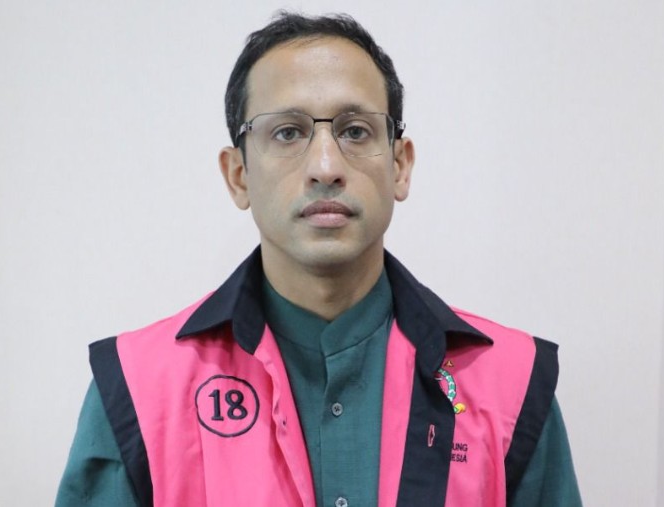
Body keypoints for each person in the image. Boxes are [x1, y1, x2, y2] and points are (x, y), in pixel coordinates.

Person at [56, 11, 582, 507]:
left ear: (400, 166)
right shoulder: (137, 390)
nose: (326, 166)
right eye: (287, 132)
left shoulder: (511, 385)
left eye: (355, 131)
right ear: (238, 175)